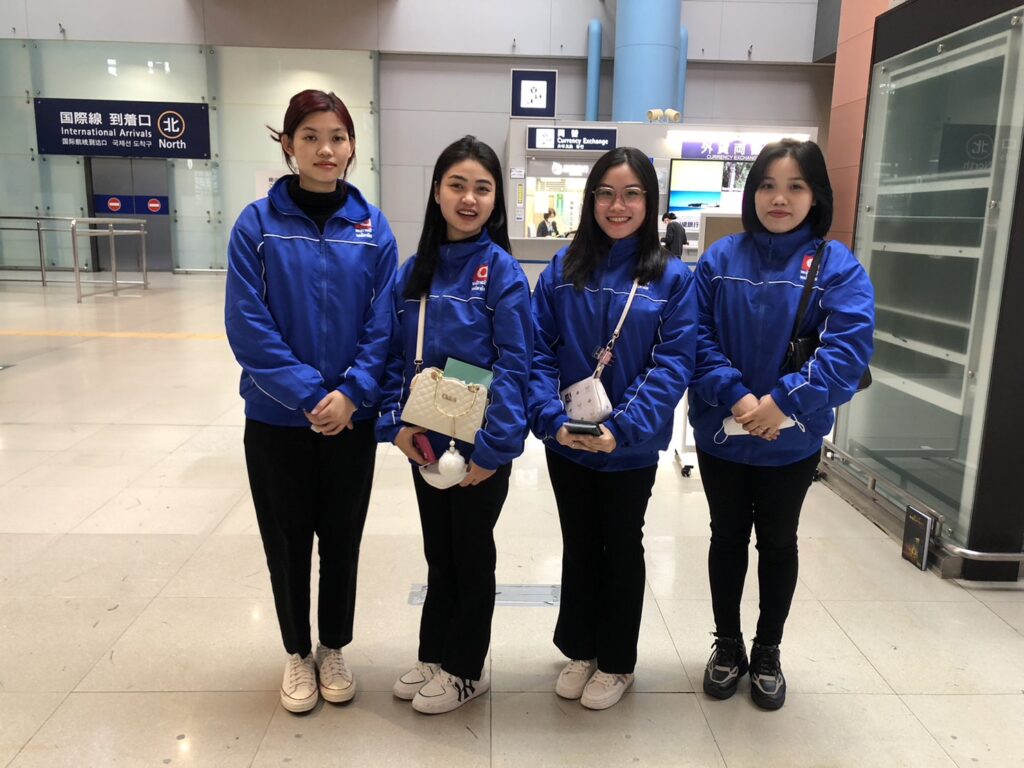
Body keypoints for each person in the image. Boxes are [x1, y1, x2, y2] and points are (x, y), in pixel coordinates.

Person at [224, 89, 398, 714]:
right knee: (288, 540)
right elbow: (248, 325)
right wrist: (308, 395)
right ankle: (297, 652)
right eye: (311, 137)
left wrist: (351, 394)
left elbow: (385, 325)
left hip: (352, 420)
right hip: (277, 419)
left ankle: (334, 647)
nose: (326, 149)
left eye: (338, 138)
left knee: (342, 539)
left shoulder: (373, 229)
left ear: (352, 147)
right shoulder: (256, 225)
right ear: (288, 146)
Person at [688, 139, 874, 711]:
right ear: (752, 192)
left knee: (777, 541)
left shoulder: (837, 266)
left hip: (791, 441)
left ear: (816, 195)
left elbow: (847, 354)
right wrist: (740, 397)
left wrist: (782, 403)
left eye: (795, 186)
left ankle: (767, 649)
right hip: (723, 432)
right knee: (725, 539)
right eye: (768, 185)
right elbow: (695, 338)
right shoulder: (720, 260)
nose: (779, 198)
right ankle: (727, 644)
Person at [529, 147, 697, 711]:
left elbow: (672, 363)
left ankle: (617, 661)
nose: (617, 205)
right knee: (579, 542)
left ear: (649, 202)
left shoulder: (671, 278)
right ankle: (581, 648)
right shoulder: (563, 268)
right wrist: (551, 419)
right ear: (591, 199)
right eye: (606, 193)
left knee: (621, 544)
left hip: (628, 448)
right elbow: (538, 350)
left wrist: (622, 428)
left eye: (631, 194)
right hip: (566, 441)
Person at [377, 135, 533, 715]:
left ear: (496, 200)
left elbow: (515, 367)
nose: (469, 199)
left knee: (471, 555)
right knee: (439, 554)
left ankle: (467, 669)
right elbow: (391, 356)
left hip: (478, 449)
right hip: (423, 442)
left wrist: (494, 450)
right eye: (457, 185)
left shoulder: (503, 273)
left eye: (482, 188)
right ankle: (434, 653)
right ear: (437, 192)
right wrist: (394, 426)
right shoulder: (413, 272)